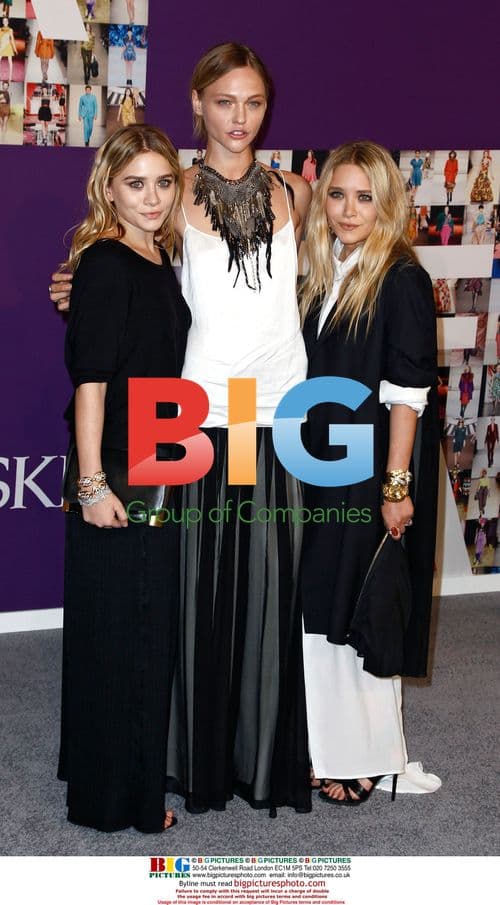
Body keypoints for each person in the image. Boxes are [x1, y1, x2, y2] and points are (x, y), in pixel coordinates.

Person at [50, 42, 312, 816]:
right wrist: (77, 282)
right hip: (196, 422)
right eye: (224, 101)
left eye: (253, 102)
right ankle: (183, 759)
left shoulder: (298, 189)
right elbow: (120, 274)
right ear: (197, 103)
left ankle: (255, 756)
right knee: (190, 600)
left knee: (265, 595)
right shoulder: (173, 188)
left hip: (276, 416)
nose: (239, 118)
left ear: (267, 108)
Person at [58, 124, 191, 833]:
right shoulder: (109, 261)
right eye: (135, 183)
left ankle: (107, 777)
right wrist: (92, 484)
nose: (151, 197)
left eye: (163, 182)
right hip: (118, 468)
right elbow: (92, 382)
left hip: (151, 455)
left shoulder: (155, 253)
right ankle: (123, 801)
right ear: (107, 187)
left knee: (124, 628)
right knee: (131, 631)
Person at [299, 140, 439, 804]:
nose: (347, 209)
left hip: (369, 468)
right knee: (324, 603)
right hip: (320, 460)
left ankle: (370, 756)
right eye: (336, 194)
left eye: (363, 196)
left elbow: (406, 394)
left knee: (362, 608)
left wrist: (396, 488)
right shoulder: (324, 265)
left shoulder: (401, 276)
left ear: (386, 202)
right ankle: (325, 747)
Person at [0, 17, 16, 82]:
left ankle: (10, 77)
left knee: (10, 62)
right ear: (2, 22)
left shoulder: (10, 30)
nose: (5, 22)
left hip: (8, 46)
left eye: (6, 21)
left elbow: (12, 39)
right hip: (1, 47)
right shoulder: (0, 29)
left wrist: (15, 49)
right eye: (4, 21)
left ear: (8, 22)